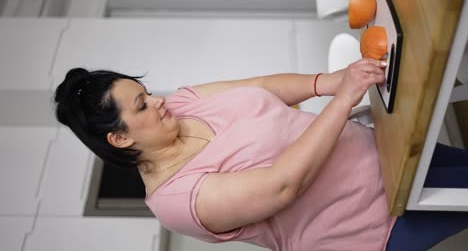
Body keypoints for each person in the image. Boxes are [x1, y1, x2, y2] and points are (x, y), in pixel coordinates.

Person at [54, 58, 468, 251]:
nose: (160, 102)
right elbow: (281, 186)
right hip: (376, 221)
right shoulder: (175, 201)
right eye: (142, 106)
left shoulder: (182, 104)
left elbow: (262, 85)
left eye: (146, 92)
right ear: (121, 139)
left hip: (382, 151)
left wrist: (329, 81)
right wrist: (342, 100)